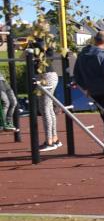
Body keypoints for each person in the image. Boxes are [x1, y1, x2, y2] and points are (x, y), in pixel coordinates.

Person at [30, 24, 61, 152]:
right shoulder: (48, 41)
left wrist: (30, 46)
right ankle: (54, 138)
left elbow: (26, 56)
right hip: (51, 75)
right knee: (49, 109)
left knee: (45, 109)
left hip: (45, 76)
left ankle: (49, 141)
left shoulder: (39, 43)